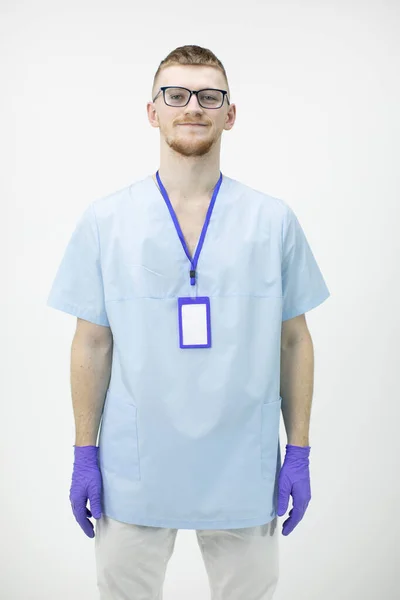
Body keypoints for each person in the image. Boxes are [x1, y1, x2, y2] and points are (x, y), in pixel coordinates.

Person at [47, 44, 331, 600]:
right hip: (135, 463)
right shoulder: (107, 220)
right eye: (175, 95)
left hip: (242, 463)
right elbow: (92, 343)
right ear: (152, 111)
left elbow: (294, 340)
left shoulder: (271, 221)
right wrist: (85, 452)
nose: (192, 106)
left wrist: (298, 450)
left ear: (231, 113)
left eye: (209, 95)